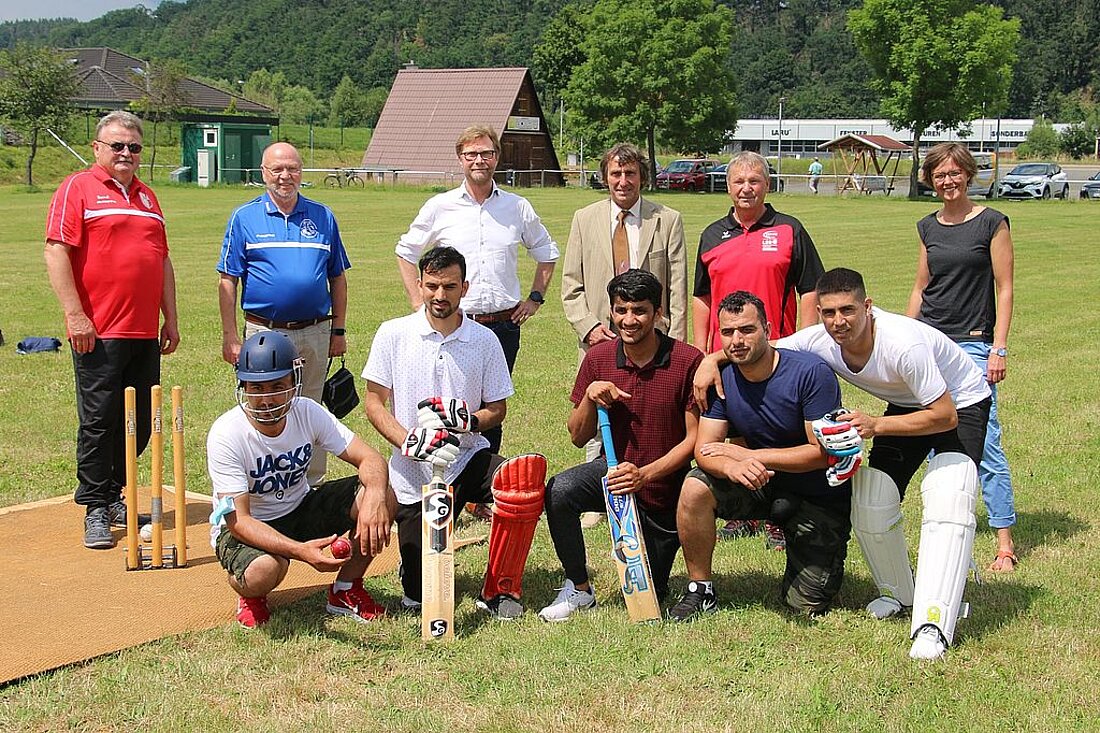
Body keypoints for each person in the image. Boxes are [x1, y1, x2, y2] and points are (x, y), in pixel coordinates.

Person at [696, 268, 992, 659]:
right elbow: (760, 342)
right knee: (872, 496)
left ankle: (934, 623)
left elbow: (944, 415)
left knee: (948, 492)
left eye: (848, 310)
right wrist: (711, 361)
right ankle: (898, 593)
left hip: (959, 402)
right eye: (829, 312)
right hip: (905, 403)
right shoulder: (819, 338)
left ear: (868, 307)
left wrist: (876, 424)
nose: (839, 322)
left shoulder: (904, 345)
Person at [365, 246, 546, 620]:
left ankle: (499, 587)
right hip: (412, 471)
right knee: (419, 594)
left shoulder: (484, 340)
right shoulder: (393, 334)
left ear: (465, 287)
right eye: (431, 286)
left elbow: (498, 409)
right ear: (419, 285)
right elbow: (374, 404)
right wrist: (408, 440)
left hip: (465, 458)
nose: (439, 295)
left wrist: (470, 422)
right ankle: (412, 569)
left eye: (449, 286)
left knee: (519, 483)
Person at [44, 110, 180, 550]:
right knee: (100, 421)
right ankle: (96, 506)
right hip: (99, 330)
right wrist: (75, 315)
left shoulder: (147, 197)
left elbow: (161, 261)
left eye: (134, 147)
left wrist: (171, 318)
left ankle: (118, 493)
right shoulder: (78, 188)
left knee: (139, 422)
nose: (126, 153)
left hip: (143, 332)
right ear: (97, 148)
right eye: (117, 146)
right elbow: (56, 251)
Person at [670, 291, 851, 621]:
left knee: (803, 604)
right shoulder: (721, 380)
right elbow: (705, 450)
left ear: (768, 328)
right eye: (727, 332)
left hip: (816, 496)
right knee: (695, 486)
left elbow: (821, 453)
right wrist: (733, 466)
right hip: (760, 485)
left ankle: (818, 551)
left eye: (747, 330)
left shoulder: (810, 374)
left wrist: (747, 455)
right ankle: (701, 590)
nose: (737, 340)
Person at [539, 270, 701, 621]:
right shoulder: (597, 359)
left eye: (640, 310)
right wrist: (590, 397)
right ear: (611, 311)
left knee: (650, 594)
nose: (629, 320)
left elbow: (694, 441)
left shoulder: (688, 360)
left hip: (663, 486)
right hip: (613, 476)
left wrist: (644, 474)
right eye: (621, 309)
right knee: (560, 490)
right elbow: (577, 436)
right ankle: (579, 589)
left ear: (658, 313)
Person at [207, 331, 392, 628]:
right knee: (264, 570)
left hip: (299, 506)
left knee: (385, 491)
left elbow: (370, 459)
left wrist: (375, 499)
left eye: (277, 386)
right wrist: (300, 552)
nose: (267, 399)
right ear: (242, 385)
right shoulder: (226, 433)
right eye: (256, 388)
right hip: (249, 524)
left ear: (294, 384)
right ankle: (250, 594)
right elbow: (238, 520)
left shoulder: (307, 412)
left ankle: (346, 589)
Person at [394, 125, 559, 456]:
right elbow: (406, 251)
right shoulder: (440, 206)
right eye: (472, 154)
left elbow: (546, 252)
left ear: (497, 157)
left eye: (486, 153)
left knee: (492, 409)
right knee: (451, 400)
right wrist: (417, 303)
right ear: (460, 159)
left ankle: (483, 485)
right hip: (455, 324)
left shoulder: (517, 207)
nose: (479, 160)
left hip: (503, 325)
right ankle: (445, 472)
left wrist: (535, 299)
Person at [693, 150, 826, 549]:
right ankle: (743, 510)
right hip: (725, 354)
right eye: (739, 181)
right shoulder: (713, 234)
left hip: (775, 353)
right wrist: (703, 351)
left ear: (767, 185)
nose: (746, 188)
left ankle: (777, 515)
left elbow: (810, 288)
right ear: (729, 187)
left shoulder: (789, 229)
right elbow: (702, 297)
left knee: (779, 433)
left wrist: (802, 343)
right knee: (734, 433)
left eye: (754, 180)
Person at [907, 142, 1018, 573]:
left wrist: (999, 346)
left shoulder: (992, 223)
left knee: (985, 442)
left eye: (954, 173)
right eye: (939, 175)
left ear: (967, 175)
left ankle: (1004, 541)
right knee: (939, 440)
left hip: (973, 344)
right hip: (932, 342)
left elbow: (1004, 288)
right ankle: (950, 532)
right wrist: (906, 339)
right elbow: (921, 287)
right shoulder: (927, 227)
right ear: (930, 180)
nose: (947, 181)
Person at [217, 142, 351, 487]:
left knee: (312, 408)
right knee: (264, 406)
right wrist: (231, 335)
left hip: (315, 330)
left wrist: (338, 331)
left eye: (292, 168)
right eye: (277, 169)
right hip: (265, 332)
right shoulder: (244, 218)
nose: (285, 176)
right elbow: (228, 279)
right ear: (263, 173)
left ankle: (312, 484)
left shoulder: (323, 217)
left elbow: (337, 276)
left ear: (301, 173)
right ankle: (264, 482)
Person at [561, 142, 688, 348]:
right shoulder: (584, 219)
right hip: (600, 339)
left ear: (642, 177)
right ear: (605, 178)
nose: (623, 181)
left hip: (653, 338)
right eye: (616, 174)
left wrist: (675, 343)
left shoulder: (667, 220)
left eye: (630, 173)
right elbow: (571, 285)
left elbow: (677, 289)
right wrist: (588, 327)